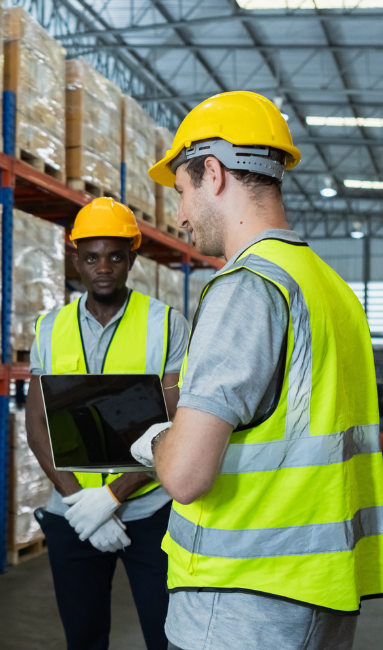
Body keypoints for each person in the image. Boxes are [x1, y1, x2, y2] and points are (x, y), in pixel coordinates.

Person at [130, 91, 383, 650]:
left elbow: (187, 476)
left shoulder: (247, 287)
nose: (180, 216)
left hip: (239, 603)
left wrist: (155, 442)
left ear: (213, 173)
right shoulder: (330, 288)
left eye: (181, 193)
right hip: (321, 595)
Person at [24, 197, 189, 650]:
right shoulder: (48, 328)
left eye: (116, 256)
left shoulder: (167, 325)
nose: (104, 267)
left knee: (167, 636)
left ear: (132, 259)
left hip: (149, 509)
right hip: (74, 512)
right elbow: (37, 426)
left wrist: (113, 496)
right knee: (84, 639)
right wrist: (82, 505)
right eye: (92, 256)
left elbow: (180, 427)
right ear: (74, 258)